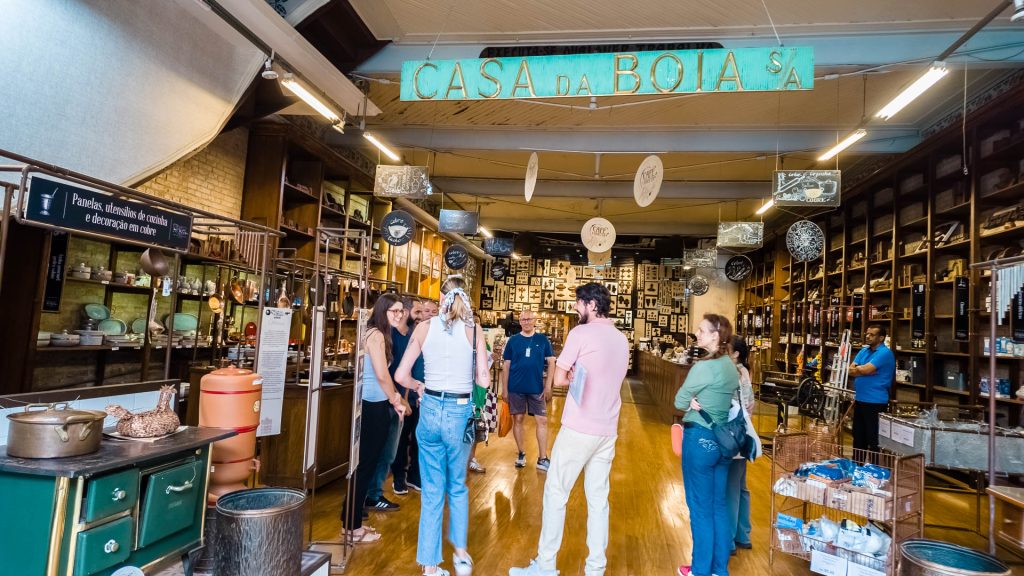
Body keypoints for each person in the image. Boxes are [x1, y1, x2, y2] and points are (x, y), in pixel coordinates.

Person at [509, 282, 629, 576]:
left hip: (579, 427)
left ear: (591, 305)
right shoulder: (621, 339)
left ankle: (545, 565)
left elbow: (560, 379)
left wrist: (572, 372)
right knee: (598, 500)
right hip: (607, 429)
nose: (575, 307)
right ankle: (595, 568)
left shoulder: (580, 333)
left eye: (578, 302)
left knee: (556, 492)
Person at [395, 277, 491, 576]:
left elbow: (401, 375)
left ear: (440, 298)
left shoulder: (424, 327)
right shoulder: (473, 330)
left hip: (430, 410)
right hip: (459, 411)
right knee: (457, 486)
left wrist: (419, 386)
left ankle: (430, 565)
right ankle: (460, 555)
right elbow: (484, 379)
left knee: (432, 491)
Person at [673, 314, 739, 576]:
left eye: (702, 330)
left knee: (700, 509)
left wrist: (691, 402)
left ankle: (700, 570)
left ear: (715, 335)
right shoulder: (730, 367)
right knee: (718, 506)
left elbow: (679, 401)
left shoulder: (704, 367)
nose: (697, 333)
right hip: (722, 442)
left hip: (699, 439)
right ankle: (719, 570)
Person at [343, 294, 408, 544]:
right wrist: (396, 401)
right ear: (382, 311)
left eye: (401, 311)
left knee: (364, 465)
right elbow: (382, 375)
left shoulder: (373, 333)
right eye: (394, 311)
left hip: (371, 403)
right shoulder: (377, 335)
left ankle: (350, 522)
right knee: (365, 465)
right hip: (373, 405)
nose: (399, 315)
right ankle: (352, 527)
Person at [502, 308, 555, 471]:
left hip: (536, 388)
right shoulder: (513, 341)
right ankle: (521, 453)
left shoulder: (542, 340)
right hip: (515, 387)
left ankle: (542, 458)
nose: (526, 322)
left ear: (535, 321)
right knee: (518, 419)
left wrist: (548, 385)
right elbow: (506, 366)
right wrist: (504, 389)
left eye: (529, 319)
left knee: (542, 420)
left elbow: (551, 362)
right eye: (523, 319)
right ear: (519, 322)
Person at [392, 296, 426, 494]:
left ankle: (414, 476)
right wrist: (402, 398)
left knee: (418, 438)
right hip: (398, 394)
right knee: (401, 439)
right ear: (405, 312)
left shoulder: (417, 334)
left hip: (417, 395)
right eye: (417, 312)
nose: (420, 316)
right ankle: (398, 478)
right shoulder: (395, 335)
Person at [849, 324, 895, 459]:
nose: (868, 337)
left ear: (881, 338)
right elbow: (851, 370)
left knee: (873, 439)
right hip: (860, 399)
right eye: (867, 334)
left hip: (875, 402)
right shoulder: (864, 351)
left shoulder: (885, 353)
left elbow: (865, 370)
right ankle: (857, 466)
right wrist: (865, 370)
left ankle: (874, 468)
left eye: (872, 335)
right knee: (858, 437)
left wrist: (862, 369)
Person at [726, 336, 755, 554]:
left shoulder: (732, 373)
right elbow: (750, 404)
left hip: (731, 435)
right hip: (744, 432)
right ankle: (743, 534)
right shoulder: (745, 371)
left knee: (730, 488)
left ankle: (727, 540)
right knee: (741, 486)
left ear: (735, 354)